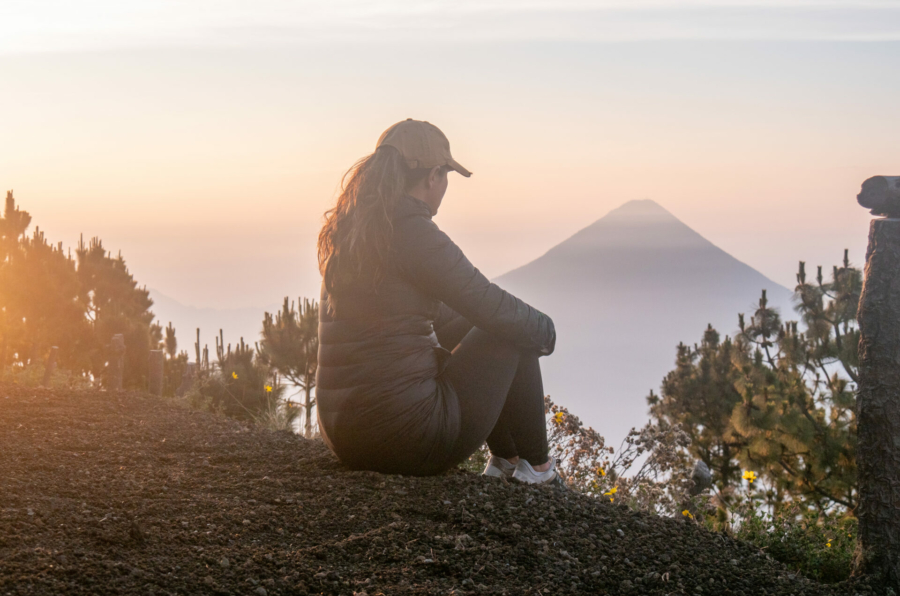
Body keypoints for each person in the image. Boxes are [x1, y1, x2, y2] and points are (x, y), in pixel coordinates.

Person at [315, 119, 560, 485]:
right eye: (445, 177)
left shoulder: (356, 228)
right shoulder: (413, 233)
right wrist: (547, 332)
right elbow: (488, 304)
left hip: (347, 437)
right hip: (406, 437)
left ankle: (508, 461)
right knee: (510, 327)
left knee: (477, 323)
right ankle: (539, 472)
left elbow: (440, 315)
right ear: (433, 177)